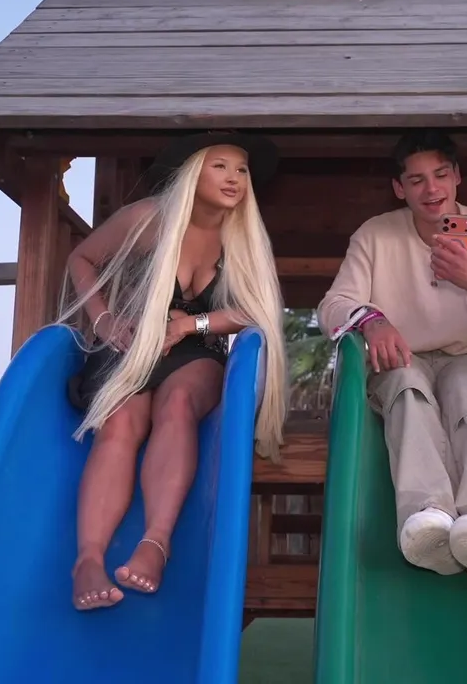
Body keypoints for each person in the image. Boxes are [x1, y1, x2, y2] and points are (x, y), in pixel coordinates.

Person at [57, 131, 289, 611]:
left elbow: (257, 310)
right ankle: (88, 559)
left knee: (178, 403)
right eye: (220, 166)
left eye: (241, 170)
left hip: (195, 349)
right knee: (122, 421)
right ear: (192, 173)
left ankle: (156, 543)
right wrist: (103, 319)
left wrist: (191, 324)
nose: (233, 178)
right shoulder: (148, 219)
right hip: (130, 344)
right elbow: (81, 258)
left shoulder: (242, 236)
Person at [316, 130, 467, 595]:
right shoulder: (375, 234)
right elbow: (333, 305)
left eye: (441, 175)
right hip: (404, 357)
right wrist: (372, 320)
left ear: (457, 176)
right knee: (406, 386)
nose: (432, 189)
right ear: (399, 188)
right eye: (416, 180)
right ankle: (429, 519)